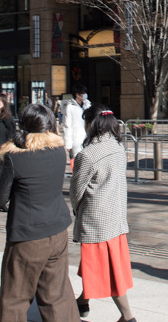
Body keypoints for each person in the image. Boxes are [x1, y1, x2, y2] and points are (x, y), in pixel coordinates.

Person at [0, 104, 79, 322]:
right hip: (58, 230)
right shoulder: (59, 151)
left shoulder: (15, 157)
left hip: (27, 235)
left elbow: (0, 197)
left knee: (15, 298)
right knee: (57, 295)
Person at [70, 104, 136, 322]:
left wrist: (76, 210)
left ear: (91, 124)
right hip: (116, 217)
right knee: (99, 265)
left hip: (96, 219)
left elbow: (76, 191)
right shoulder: (118, 148)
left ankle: (127, 316)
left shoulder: (88, 155)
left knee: (106, 270)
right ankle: (83, 301)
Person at [62, 85, 90, 171]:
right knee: (79, 163)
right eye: (83, 94)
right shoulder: (70, 107)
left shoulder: (86, 105)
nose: (85, 95)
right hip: (76, 139)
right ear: (77, 95)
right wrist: (68, 144)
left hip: (87, 137)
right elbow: (67, 126)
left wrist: (87, 105)